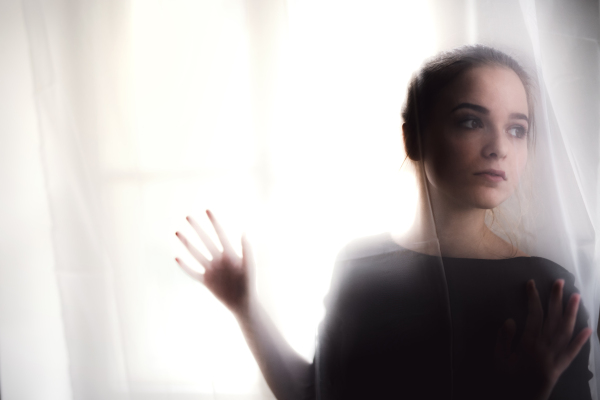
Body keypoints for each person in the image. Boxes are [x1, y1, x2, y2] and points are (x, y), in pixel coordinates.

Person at [175, 45, 593, 399]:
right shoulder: (357, 267)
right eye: (471, 121)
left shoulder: (546, 292)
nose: (499, 147)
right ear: (413, 138)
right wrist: (242, 305)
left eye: (517, 129)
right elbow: (312, 393)